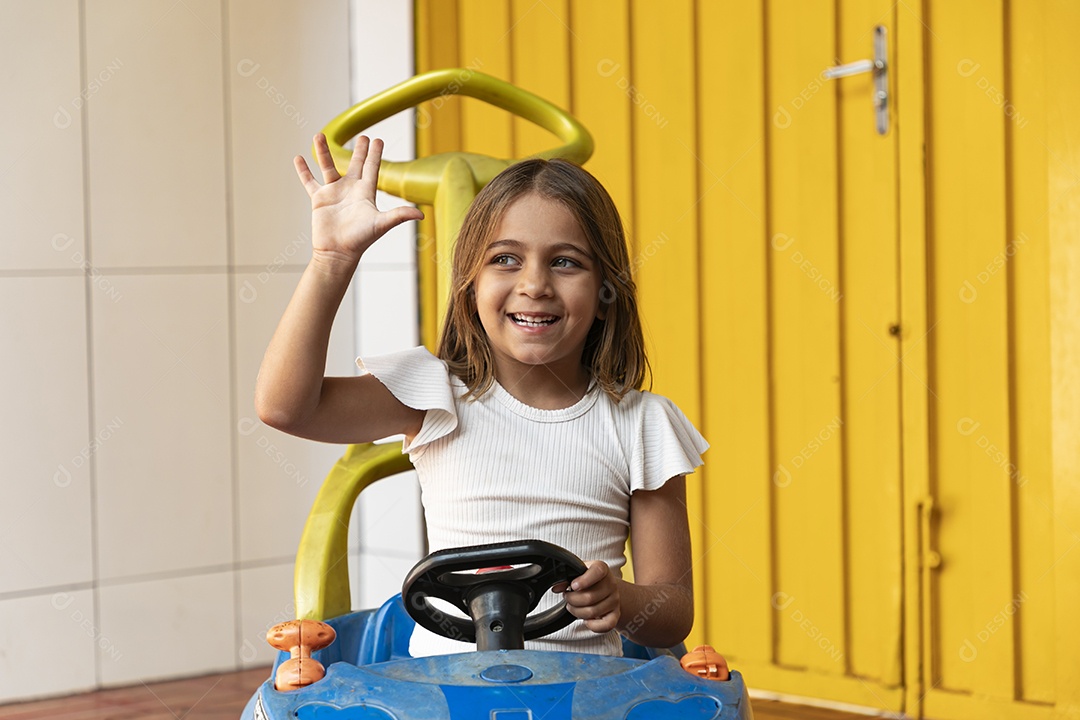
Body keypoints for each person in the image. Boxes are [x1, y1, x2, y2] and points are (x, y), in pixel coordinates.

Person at [256, 133, 708, 656]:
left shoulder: (642, 424)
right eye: (506, 260)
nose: (535, 284)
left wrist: (624, 601)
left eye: (566, 262)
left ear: (606, 294)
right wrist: (332, 260)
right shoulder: (432, 393)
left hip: (585, 700)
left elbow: (673, 611)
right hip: (444, 698)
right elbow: (284, 406)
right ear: (470, 288)